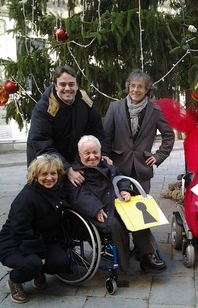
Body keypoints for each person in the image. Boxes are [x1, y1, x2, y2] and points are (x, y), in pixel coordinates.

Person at [103, 69, 175, 271]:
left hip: (141, 170)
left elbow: (169, 137)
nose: (136, 90)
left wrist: (158, 156)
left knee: (140, 211)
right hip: (117, 169)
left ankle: (146, 256)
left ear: (147, 90)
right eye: (133, 86)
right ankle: (125, 254)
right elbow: (106, 137)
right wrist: (106, 160)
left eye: (140, 87)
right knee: (120, 211)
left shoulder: (154, 111)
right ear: (128, 86)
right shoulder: (115, 108)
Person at [64, 135, 166, 273]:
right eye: (87, 153)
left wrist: (124, 190)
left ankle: (148, 256)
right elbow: (78, 196)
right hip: (96, 212)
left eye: (95, 152)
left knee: (138, 216)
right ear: (79, 154)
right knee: (116, 224)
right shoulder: (77, 173)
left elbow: (121, 178)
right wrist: (96, 209)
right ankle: (125, 264)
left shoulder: (107, 165)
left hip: (115, 204)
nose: (92, 157)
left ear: (100, 153)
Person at [0, 154, 70, 304]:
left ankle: (37, 269)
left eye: (53, 173)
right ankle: (15, 281)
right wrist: (41, 254)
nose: (49, 178)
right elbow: (19, 231)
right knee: (33, 263)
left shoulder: (54, 191)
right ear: (35, 176)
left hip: (40, 239)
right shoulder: (27, 198)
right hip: (15, 242)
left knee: (62, 261)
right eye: (44, 174)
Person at [26, 64, 108, 187]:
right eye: (63, 84)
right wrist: (67, 169)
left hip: (73, 162)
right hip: (47, 165)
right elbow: (42, 144)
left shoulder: (85, 104)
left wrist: (104, 154)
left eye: (71, 84)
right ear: (56, 86)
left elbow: (98, 133)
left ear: (77, 85)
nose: (67, 88)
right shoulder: (43, 108)